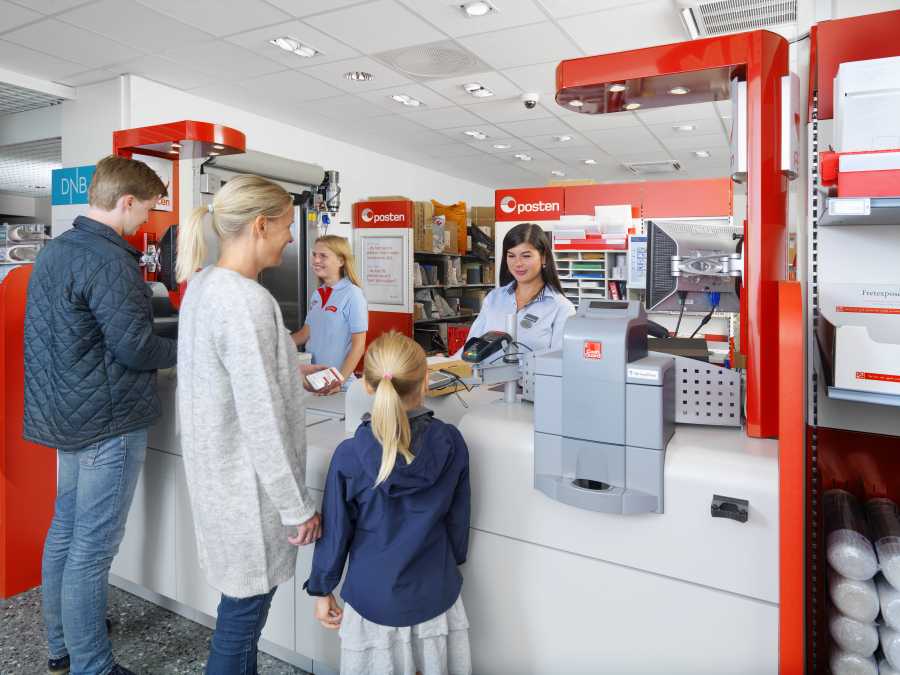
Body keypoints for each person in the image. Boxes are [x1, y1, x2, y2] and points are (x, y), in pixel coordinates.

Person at [23, 154, 176, 675]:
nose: (147, 221)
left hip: (66, 415)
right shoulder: (110, 260)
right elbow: (134, 348)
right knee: (92, 549)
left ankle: (61, 644)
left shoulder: (58, 250)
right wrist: (189, 346)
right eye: (148, 209)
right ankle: (93, 666)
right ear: (126, 200)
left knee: (65, 530)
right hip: (107, 421)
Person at [175, 175, 324, 674]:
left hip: (220, 486)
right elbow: (260, 419)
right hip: (249, 495)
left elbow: (229, 378)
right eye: (286, 226)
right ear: (261, 225)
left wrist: (291, 368)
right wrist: (296, 507)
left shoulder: (205, 286)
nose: (289, 237)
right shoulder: (248, 301)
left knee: (236, 618)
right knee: (241, 631)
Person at [305, 332, 472, 675]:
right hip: (435, 592)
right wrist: (452, 561)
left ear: (367, 386)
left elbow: (336, 532)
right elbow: (458, 518)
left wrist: (322, 589)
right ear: (426, 381)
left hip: (372, 597)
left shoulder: (350, 456)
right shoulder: (451, 441)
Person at [463, 222, 575, 354]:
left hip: (534, 375)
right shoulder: (494, 298)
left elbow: (560, 362)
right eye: (511, 256)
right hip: (486, 374)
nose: (518, 263)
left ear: (543, 257)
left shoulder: (561, 307)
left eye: (526, 256)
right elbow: (471, 349)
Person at [292, 235, 368, 390]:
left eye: (323, 256)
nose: (316, 260)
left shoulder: (352, 294)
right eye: (314, 255)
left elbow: (358, 346)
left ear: (341, 261)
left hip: (339, 386)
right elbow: (305, 333)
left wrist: (338, 381)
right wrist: (274, 343)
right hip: (313, 381)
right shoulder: (318, 294)